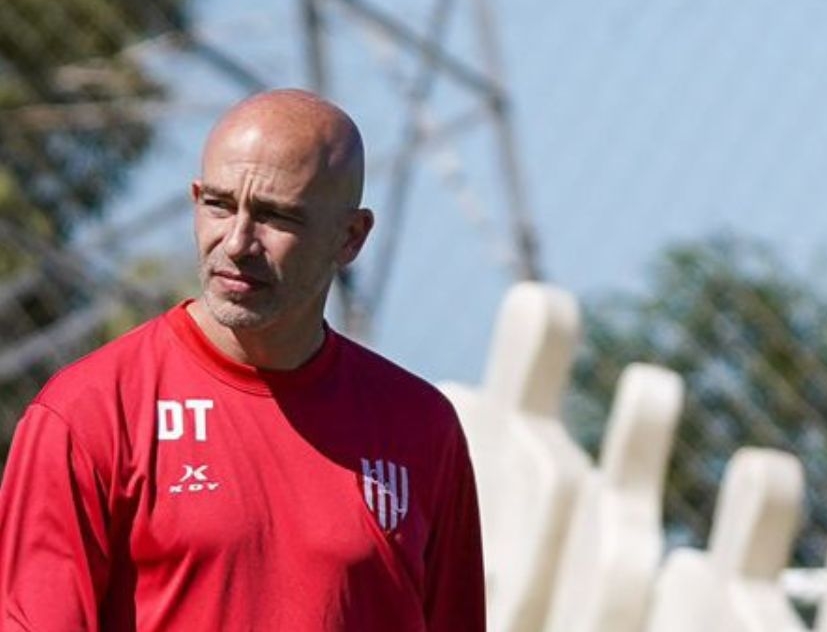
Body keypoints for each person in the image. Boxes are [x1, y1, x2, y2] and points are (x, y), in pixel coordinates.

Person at [0, 89, 485, 631]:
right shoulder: (90, 412)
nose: (237, 242)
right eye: (219, 205)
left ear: (350, 237)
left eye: (276, 216)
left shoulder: (421, 426)